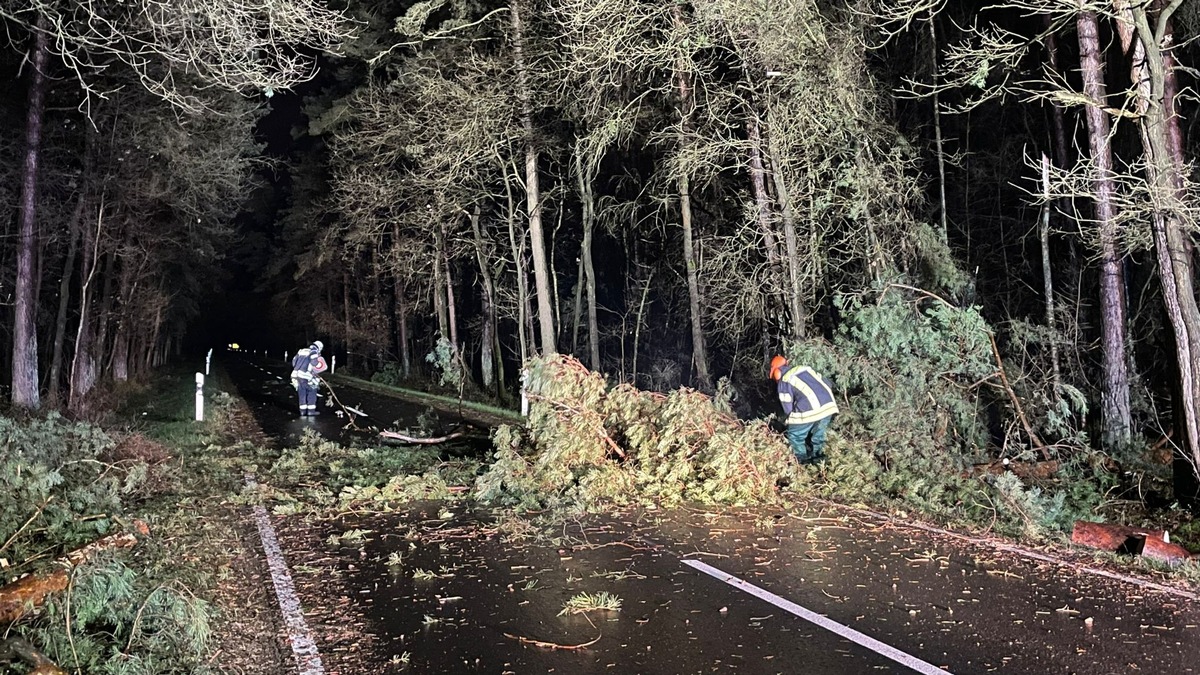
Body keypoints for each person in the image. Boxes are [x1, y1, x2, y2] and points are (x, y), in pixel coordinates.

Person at [770, 355, 838, 464]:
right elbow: (827, 383)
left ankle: (801, 460)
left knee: (795, 435)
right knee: (818, 435)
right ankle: (818, 459)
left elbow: (787, 405)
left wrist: (789, 420)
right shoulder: (805, 369)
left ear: (776, 372)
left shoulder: (785, 380)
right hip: (828, 406)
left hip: (809, 409)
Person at [291, 341, 328, 416]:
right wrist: (319, 365)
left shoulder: (301, 351)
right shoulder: (313, 352)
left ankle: (302, 411)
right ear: (319, 348)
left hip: (296, 376)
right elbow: (314, 362)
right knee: (312, 391)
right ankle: (311, 411)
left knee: (302, 393)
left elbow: (294, 362)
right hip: (306, 376)